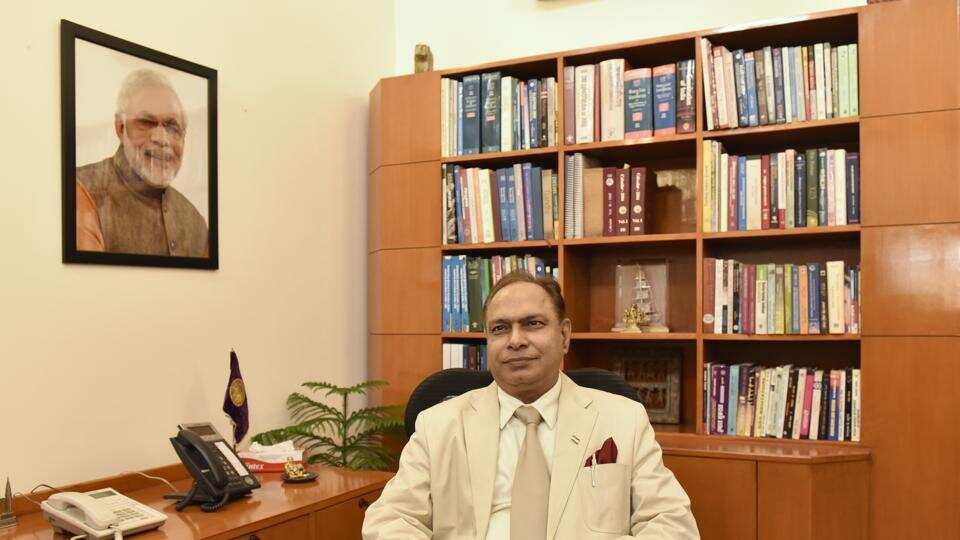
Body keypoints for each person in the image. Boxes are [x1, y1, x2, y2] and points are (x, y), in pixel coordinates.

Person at [362, 271, 700, 539]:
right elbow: (391, 519)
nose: (516, 340)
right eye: (500, 329)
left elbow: (672, 525)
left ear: (564, 335)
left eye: (532, 324)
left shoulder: (623, 420)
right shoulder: (437, 425)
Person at [76, 68, 208, 257]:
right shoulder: (82, 191)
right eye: (146, 122)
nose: (161, 138)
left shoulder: (195, 221)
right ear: (120, 127)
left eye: (173, 127)